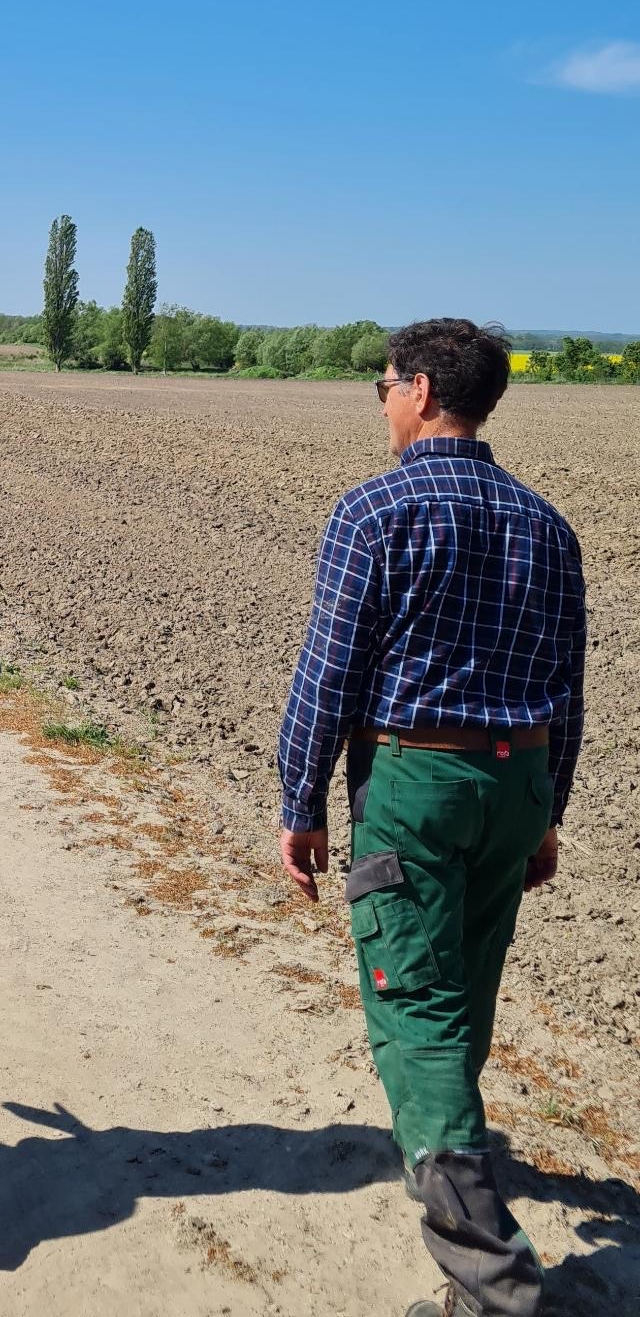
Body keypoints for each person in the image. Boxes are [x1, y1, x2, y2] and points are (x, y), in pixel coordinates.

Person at [276, 319, 586, 1317]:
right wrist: (547, 816)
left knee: (414, 1007)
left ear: (416, 389)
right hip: (516, 781)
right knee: (462, 987)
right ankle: (458, 1179)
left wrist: (299, 799)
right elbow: (567, 692)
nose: (379, 399)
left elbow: (329, 674)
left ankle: (496, 1286)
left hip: (417, 780)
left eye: (383, 383)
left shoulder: (375, 510)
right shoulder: (547, 523)